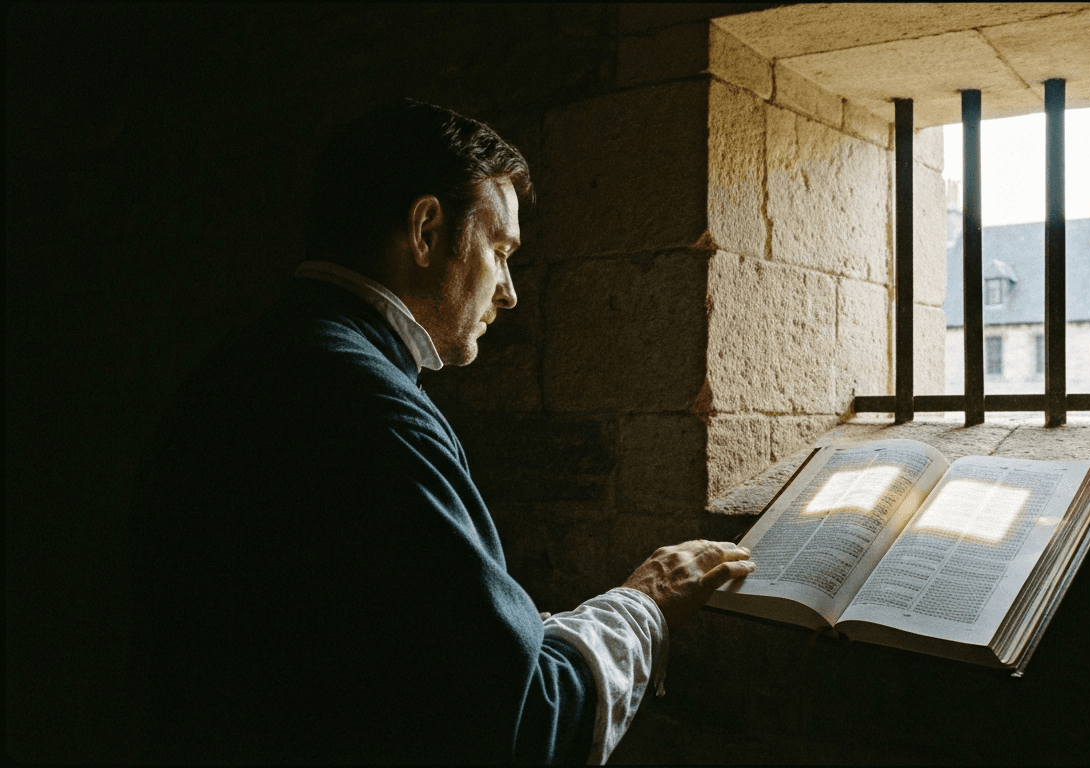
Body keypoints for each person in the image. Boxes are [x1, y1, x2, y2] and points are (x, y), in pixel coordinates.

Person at [129, 99, 755, 764]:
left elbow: (374, 656)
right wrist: (646, 602)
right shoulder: (375, 412)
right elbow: (515, 720)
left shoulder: (234, 370)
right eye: (500, 249)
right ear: (426, 230)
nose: (509, 291)